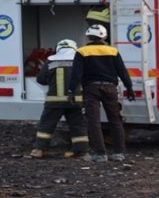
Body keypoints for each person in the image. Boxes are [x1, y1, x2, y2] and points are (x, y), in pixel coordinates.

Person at [69, 24, 135, 163]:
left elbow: (76, 74)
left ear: (88, 36)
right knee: (115, 120)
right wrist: (129, 88)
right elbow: (122, 71)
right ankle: (118, 153)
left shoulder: (81, 52)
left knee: (93, 121)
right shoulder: (113, 51)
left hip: (91, 89)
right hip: (110, 88)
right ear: (104, 37)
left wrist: (71, 91)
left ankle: (100, 154)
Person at [26, 39, 88, 159]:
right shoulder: (80, 60)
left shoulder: (51, 60)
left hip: (54, 101)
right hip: (75, 100)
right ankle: (81, 152)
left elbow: (40, 80)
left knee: (47, 125)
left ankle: (39, 150)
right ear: (74, 48)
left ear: (58, 48)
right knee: (78, 125)